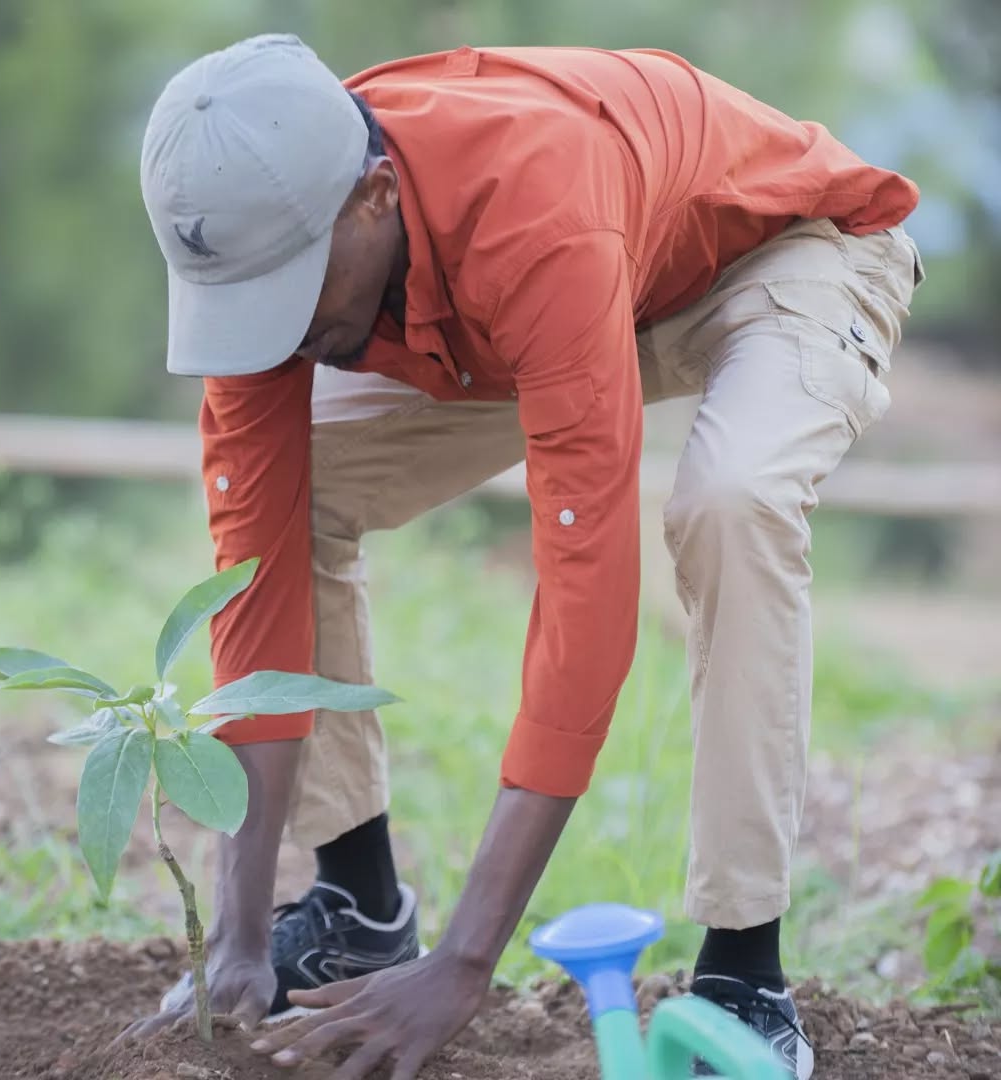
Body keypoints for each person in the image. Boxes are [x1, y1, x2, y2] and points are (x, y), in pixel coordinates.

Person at [134, 33, 924, 1079]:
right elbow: (255, 571)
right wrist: (235, 935)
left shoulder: (526, 200)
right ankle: (358, 904)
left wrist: (467, 964)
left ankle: (744, 969)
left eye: (289, 293)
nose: (271, 329)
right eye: (243, 305)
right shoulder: (269, 239)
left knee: (731, 503)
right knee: (303, 491)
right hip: (568, 296)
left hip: (782, 253)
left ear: (374, 197)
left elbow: (585, 596)